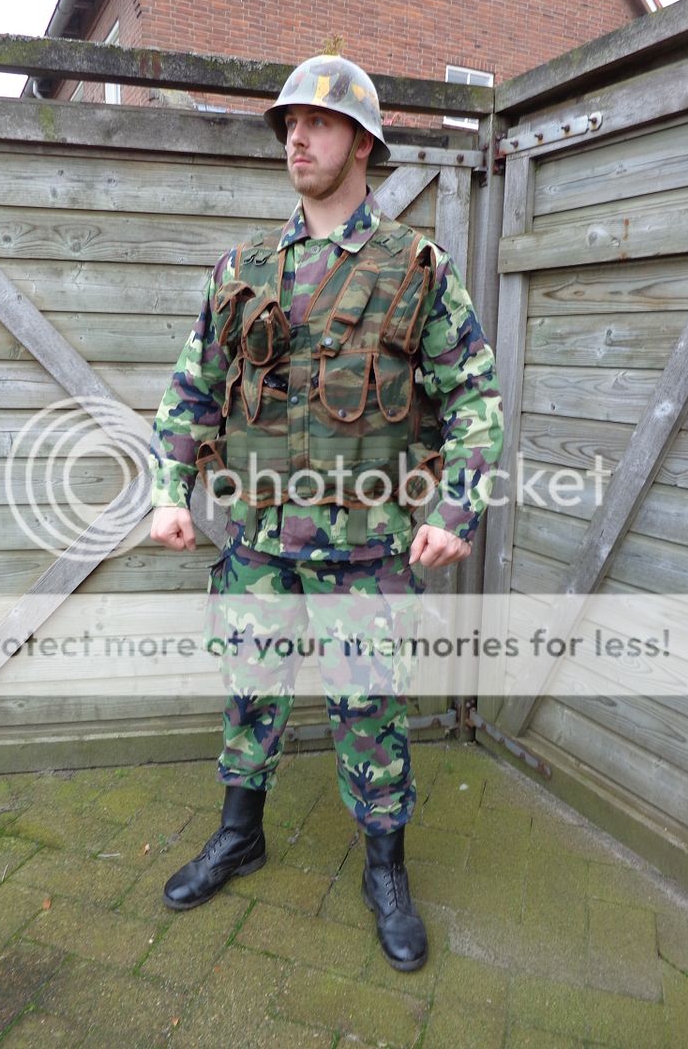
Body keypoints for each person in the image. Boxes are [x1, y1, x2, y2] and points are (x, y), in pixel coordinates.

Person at [149, 54, 503, 973]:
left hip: (366, 551)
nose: (296, 138)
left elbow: (474, 399)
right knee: (249, 693)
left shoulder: (416, 269)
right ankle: (240, 835)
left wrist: (456, 509)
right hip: (259, 539)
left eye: (317, 123)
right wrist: (167, 491)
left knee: (370, 710)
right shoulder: (245, 269)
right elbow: (193, 389)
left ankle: (385, 870)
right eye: (288, 125)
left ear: (362, 142)